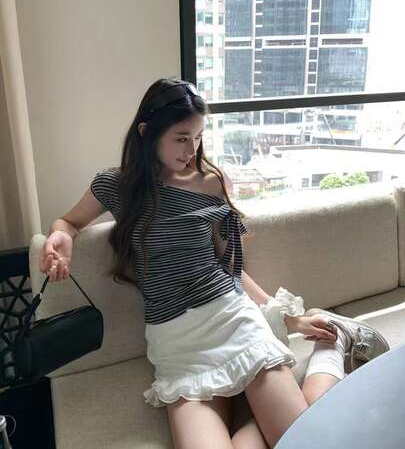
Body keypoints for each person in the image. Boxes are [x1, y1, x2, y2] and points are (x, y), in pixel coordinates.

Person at [38, 78, 389, 449]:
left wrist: (291, 320)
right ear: (146, 132)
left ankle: (332, 346)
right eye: (181, 138)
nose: (191, 149)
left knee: (305, 442)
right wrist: (61, 238)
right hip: (178, 347)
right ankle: (304, 381)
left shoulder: (211, 183)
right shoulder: (115, 185)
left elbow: (230, 268)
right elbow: (68, 221)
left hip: (234, 322)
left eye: (197, 137)